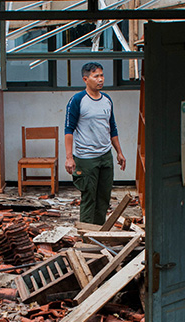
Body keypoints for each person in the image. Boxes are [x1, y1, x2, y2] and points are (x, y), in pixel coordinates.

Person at [64, 62, 126, 225]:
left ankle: (98, 233)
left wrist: (119, 152)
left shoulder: (107, 100)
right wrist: (69, 157)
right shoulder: (78, 100)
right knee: (89, 198)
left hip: (105, 156)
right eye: (96, 76)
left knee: (103, 198)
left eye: (102, 75)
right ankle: (86, 237)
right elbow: (68, 130)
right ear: (86, 79)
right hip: (86, 159)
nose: (100, 79)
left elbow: (112, 128)